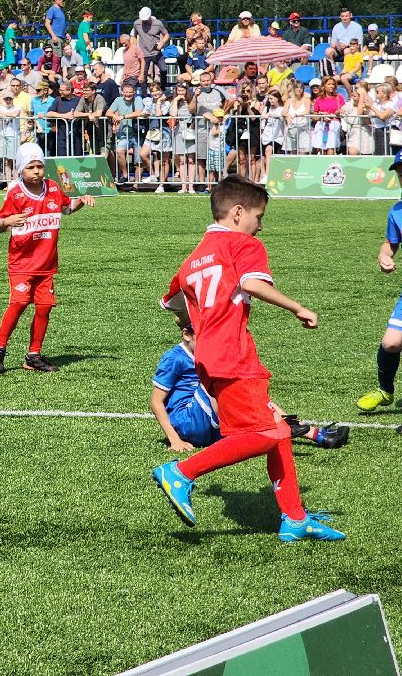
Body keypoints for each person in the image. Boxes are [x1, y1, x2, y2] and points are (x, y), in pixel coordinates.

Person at [150, 175, 343, 542]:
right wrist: (297, 308)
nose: (260, 225)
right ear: (238, 213)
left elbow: (172, 304)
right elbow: (252, 284)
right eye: (259, 216)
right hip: (233, 352)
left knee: (280, 429)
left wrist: (198, 321)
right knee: (266, 432)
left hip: (206, 356)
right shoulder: (243, 244)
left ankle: (295, 518)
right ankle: (182, 472)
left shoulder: (193, 258)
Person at [151, 315, 348, 453]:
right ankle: (296, 427)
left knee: (247, 387)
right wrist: (175, 440)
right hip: (187, 421)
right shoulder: (174, 358)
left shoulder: (210, 353)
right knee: (226, 379)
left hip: (212, 426)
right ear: (187, 335)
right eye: (205, 336)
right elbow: (156, 402)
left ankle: (312, 433)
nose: (213, 341)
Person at [0, 142, 95, 375]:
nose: (36, 171)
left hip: (46, 264)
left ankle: (33, 355)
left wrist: (82, 200)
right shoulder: (15, 193)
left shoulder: (54, 188)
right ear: (20, 170)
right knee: (18, 304)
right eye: (30, 167)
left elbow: (68, 208)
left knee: (44, 307)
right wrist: (8, 221)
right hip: (21, 263)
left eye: (39, 166)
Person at [358, 152, 402, 413]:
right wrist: (384, 256)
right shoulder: (396, 212)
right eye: (400, 171)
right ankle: (385, 391)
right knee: (391, 343)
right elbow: (390, 244)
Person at [132, 7, 171, 88]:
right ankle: (144, 94)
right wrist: (135, 47)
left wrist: (162, 42)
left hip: (156, 52)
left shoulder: (158, 23)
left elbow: (166, 34)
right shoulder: (136, 23)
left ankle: (163, 88)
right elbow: (134, 35)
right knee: (143, 73)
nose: (144, 21)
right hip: (143, 53)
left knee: (163, 69)